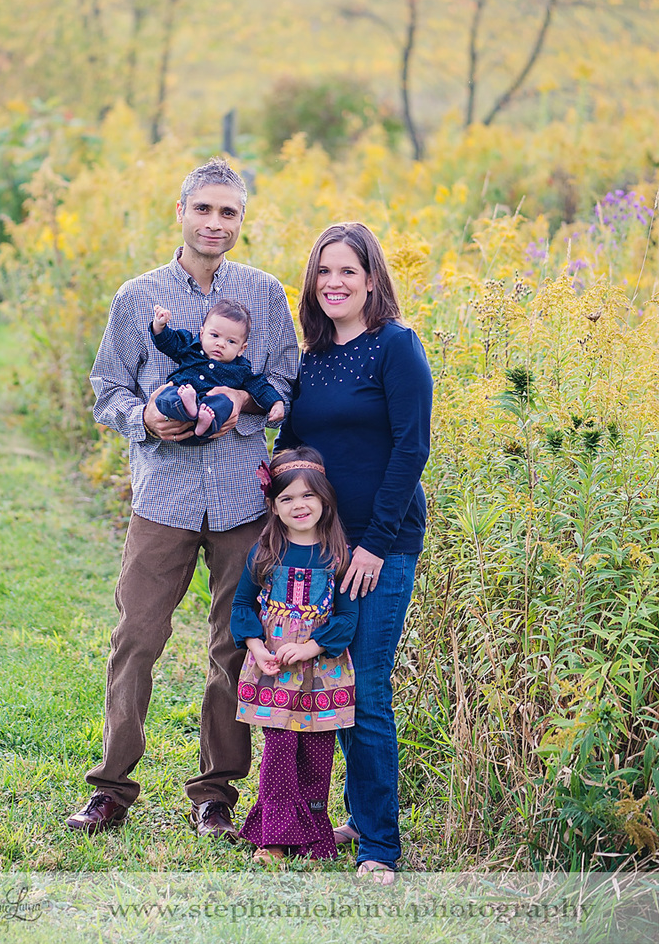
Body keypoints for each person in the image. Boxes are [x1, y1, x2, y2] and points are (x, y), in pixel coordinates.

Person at [66, 157, 299, 837]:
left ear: (242, 220)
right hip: (162, 496)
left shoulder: (264, 294)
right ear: (181, 211)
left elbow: (285, 379)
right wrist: (144, 418)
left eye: (230, 212)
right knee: (136, 638)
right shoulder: (138, 297)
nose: (216, 223)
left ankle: (215, 794)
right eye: (205, 209)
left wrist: (237, 403)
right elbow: (108, 388)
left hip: (240, 501)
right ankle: (111, 788)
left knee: (233, 644)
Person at [275, 222, 432, 882]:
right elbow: (289, 451)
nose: (334, 282)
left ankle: (380, 848)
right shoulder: (309, 357)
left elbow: (411, 447)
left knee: (365, 691)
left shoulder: (396, 346)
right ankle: (353, 819)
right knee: (327, 687)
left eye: (348, 271)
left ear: (373, 280)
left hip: (379, 549)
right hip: (314, 551)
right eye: (323, 271)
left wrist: (372, 545)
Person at [230, 447, 358, 865]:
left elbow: (348, 617)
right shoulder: (266, 552)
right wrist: (256, 647)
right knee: (280, 752)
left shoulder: (339, 555)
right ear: (273, 505)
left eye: (307, 496)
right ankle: (273, 840)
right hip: (273, 673)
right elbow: (242, 606)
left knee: (318, 756)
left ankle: (312, 836)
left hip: (323, 674)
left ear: (325, 500)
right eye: (286, 499)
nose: (298, 505)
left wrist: (309, 646)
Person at [150, 298, 285, 442]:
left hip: (208, 419)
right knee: (166, 395)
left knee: (225, 402)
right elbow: (168, 342)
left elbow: (260, 386)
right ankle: (188, 407)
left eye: (231, 341)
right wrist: (159, 325)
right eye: (214, 336)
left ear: (242, 349)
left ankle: (204, 421)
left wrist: (276, 402)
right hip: (178, 410)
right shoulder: (190, 348)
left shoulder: (240, 369)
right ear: (202, 334)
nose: (220, 344)